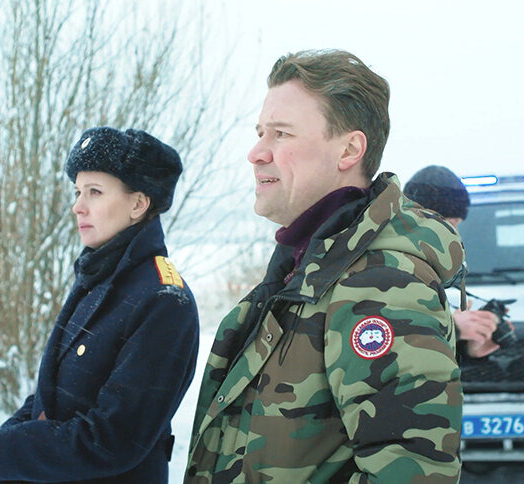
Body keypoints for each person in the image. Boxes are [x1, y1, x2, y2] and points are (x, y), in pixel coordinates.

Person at [185, 50, 465, 483]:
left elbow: (414, 473)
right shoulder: (307, 269)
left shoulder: (379, 285)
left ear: (349, 150)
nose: (256, 153)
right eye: (260, 133)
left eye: (281, 133)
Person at [0, 127, 199, 483]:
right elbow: (52, 390)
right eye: (77, 192)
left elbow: (114, 438)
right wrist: (8, 436)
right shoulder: (98, 277)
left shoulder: (163, 300)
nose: (77, 206)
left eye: (94, 192)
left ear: (138, 204)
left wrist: (10, 451)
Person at [403, 165, 507, 358]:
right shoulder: (385, 268)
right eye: (451, 224)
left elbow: (421, 364)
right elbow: (378, 345)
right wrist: (454, 329)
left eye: (457, 225)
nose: (456, 235)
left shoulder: (426, 269)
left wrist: (466, 349)